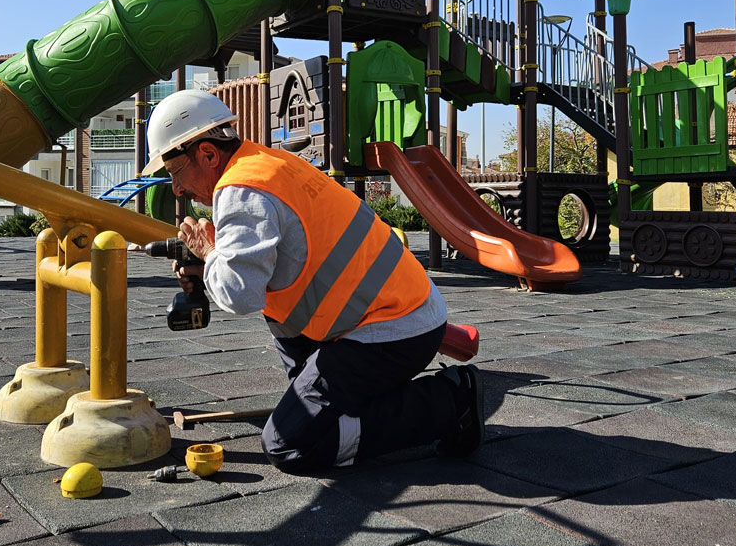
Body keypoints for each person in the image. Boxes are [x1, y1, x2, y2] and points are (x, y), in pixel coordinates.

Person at [143, 89, 483, 473]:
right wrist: (213, 262)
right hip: (393, 314)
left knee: (290, 445)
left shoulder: (241, 191)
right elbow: (274, 268)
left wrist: (209, 254)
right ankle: (352, 406)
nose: (177, 188)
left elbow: (239, 296)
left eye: (175, 172)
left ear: (207, 154)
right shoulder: (263, 163)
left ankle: (451, 402)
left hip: (391, 329)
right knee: (308, 402)